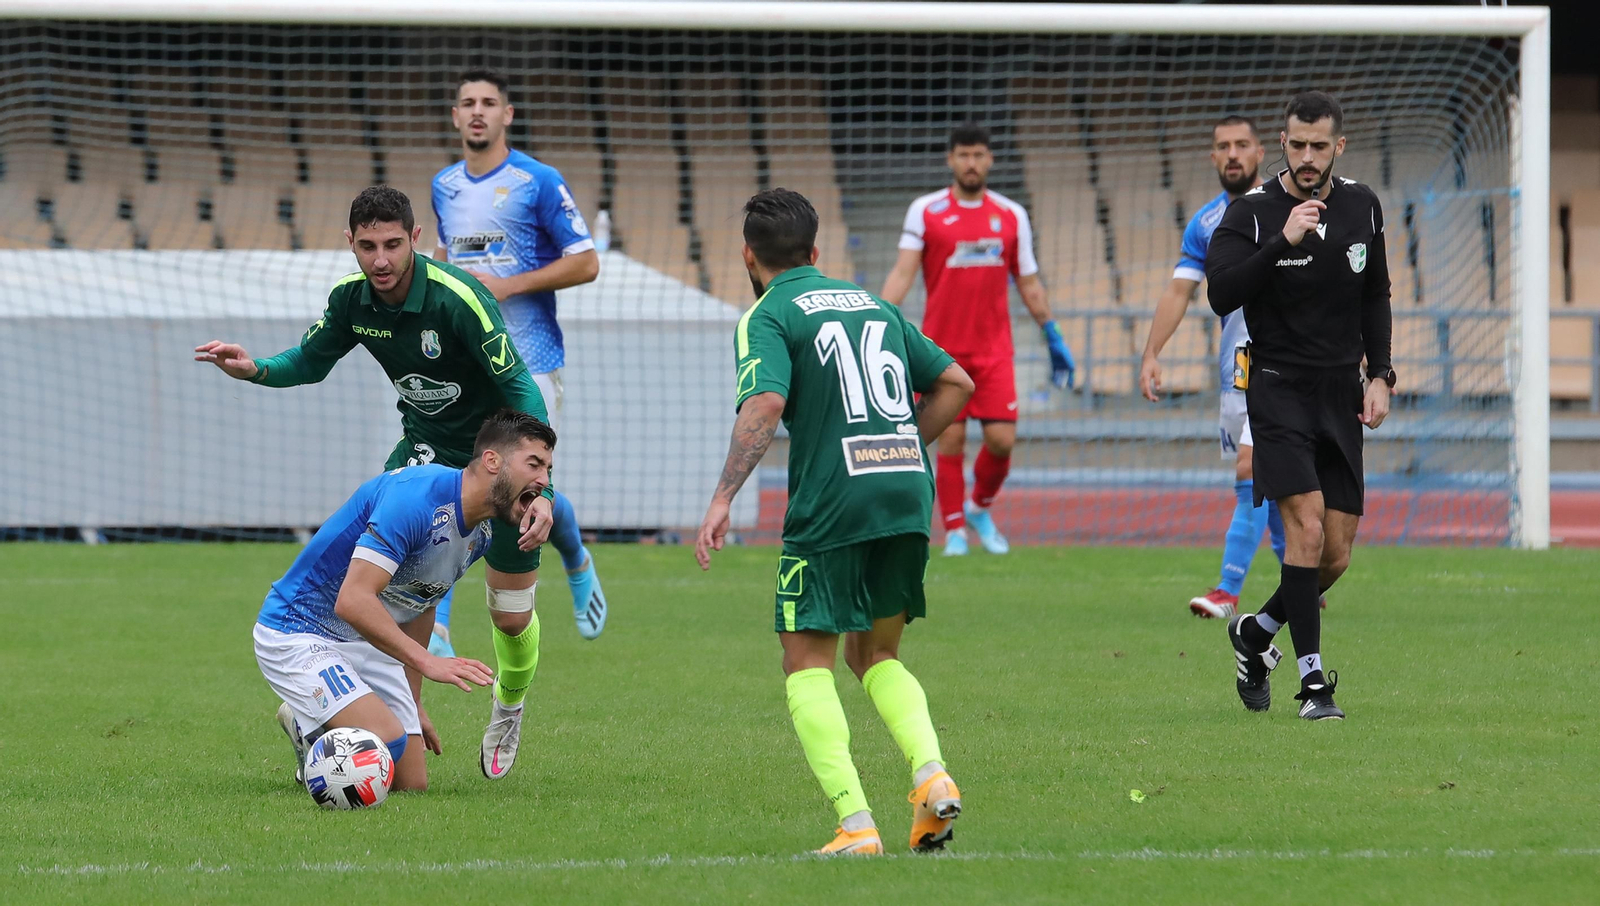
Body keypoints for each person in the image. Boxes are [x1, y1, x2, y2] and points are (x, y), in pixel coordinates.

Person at [196, 186, 553, 778]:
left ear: (416, 239)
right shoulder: (350, 300)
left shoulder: (460, 298)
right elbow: (309, 361)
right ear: (350, 243)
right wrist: (255, 368)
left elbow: (519, 386)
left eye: (392, 244)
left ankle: (509, 704)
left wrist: (538, 484)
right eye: (367, 247)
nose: (381, 260)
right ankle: (352, 702)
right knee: (392, 584)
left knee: (512, 616)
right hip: (422, 456)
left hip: (497, 467)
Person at [696, 188, 975, 855]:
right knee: (874, 653)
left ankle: (856, 823)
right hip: (906, 492)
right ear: (816, 251)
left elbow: (765, 403)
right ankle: (931, 775)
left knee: (805, 658)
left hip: (832, 501)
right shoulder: (875, 304)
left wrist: (722, 497)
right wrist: (900, 447)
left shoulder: (768, 314)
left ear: (748, 256)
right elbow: (957, 383)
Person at [1205, 91, 1395, 721]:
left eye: (1320, 146)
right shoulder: (1253, 212)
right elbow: (1221, 293)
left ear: (1338, 146)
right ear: (1282, 143)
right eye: (1298, 145)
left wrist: (1381, 374)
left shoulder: (1363, 205)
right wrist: (1279, 241)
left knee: (1334, 555)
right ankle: (1314, 687)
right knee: (1305, 528)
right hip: (1278, 389)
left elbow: (1376, 294)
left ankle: (1256, 632)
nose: (1308, 157)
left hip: (1341, 393)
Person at [255, 410, 555, 795]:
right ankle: (310, 729)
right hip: (300, 631)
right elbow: (352, 600)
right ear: (492, 461)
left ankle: (318, 721)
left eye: (548, 469)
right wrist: (427, 661)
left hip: (369, 638)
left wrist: (413, 702)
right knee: (385, 742)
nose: (544, 481)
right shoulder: (414, 500)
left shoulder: (481, 532)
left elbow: (421, 602)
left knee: (411, 785)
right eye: (534, 464)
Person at [431, 67, 608, 646]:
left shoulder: (538, 180)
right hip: (466, 363)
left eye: (489, 102)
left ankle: (576, 558)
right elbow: (447, 261)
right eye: (467, 103)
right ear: (455, 116)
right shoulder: (443, 185)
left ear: (507, 114)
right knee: (454, 482)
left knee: (523, 492)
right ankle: (437, 624)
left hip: (530, 359)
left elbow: (586, 261)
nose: (477, 111)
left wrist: (507, 286)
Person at [880, 122, 1075, 557]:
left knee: (1002, 441)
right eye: (964, 155)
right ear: (950, 160)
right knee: (949, 440)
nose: (971, 163)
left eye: (979, 155)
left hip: (994, 351)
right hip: (940, 352)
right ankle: (954, 531)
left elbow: (1029, 282)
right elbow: (903, 272)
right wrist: (874, 320)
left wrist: (1052, 332)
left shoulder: (1011, 215)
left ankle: (978, 509)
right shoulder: (925, 211)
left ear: (990, 160)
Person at [1140, 115, 1288, 619]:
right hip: (1236, 370)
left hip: (1282, 363)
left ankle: (1227, 591)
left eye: (1242, 145)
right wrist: (1152, 352)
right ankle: (1301, 581)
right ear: (1212, 157)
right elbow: (1179, 290)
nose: (1232, 154)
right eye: (1223, 146)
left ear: (1261, 152)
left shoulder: (1286, 208)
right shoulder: (1205, 223)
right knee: (1268, 483)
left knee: (1252, 469)